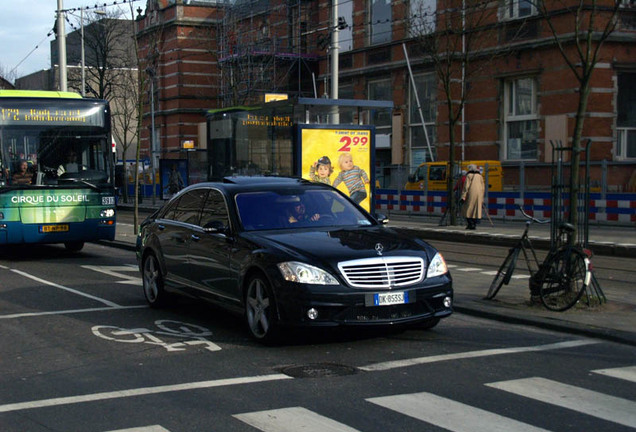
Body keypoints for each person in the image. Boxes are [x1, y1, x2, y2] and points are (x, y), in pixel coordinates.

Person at [460, 164, 485, 230]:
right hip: (479, 194)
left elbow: (466, 187)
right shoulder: (480, 176)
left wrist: (463, 196)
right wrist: (482, 196)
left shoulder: (469, 175)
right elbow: (483, 186)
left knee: (467, 209)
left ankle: (470, 223)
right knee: (476, 209)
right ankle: (474, 223)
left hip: (471, 193)